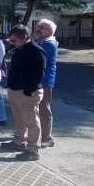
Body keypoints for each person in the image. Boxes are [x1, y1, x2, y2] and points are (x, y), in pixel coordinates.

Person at [0, 25, 46, 161]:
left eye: (14, 41)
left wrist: (28, 90)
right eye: (10, 40)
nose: (11, 43)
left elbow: (39, 73)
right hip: (15, 90)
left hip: (28, 92)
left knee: (31, 121)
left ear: (25, 37)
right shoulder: (19, 50)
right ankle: (19, 141)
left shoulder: (37, 51)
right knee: (19, 118)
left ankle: (33, 149)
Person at [33, 19, 58, 147]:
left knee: (43, 108)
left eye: (42, 27)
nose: (38, 29)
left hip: (45, 81)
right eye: (38, 26)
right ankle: (38, 134)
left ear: (49, 31)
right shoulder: (41, 42)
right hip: (37, 80)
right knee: (35, 108)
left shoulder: (49, 44)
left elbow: (36, 57)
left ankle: (47, 137)